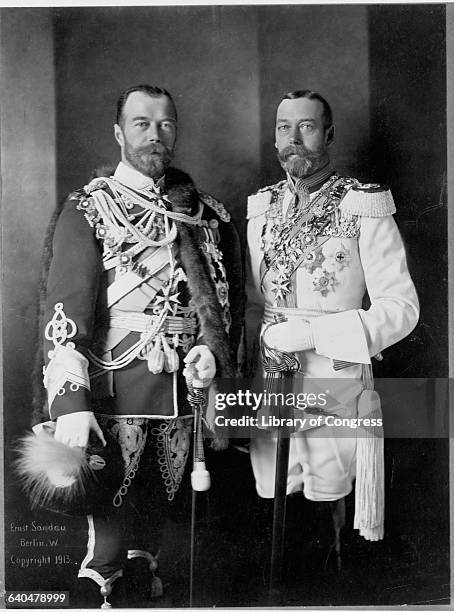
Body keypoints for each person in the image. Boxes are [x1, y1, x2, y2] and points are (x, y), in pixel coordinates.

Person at [28, 84, 243, 607]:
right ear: (119, 132)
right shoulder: (90, 209)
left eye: (165, 124)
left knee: (159, 521)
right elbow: (65, 318)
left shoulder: (205, 213)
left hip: (188, 386)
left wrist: (212, 355)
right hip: (116, 383)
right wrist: (71, 404)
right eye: (142, 123)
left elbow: (223, 304)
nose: (155, 134)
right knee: (108, 536)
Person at [245, 89, 419, 551]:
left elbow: (401, 309)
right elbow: (250, 303)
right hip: (270, 378)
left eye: (307, 126)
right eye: (285, 127)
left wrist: (315, 333)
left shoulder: (363, 205)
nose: (294, 138)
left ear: (329, 134)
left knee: (327, 512)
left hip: (335, 375)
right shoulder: (261, 209)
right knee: (276, 507)